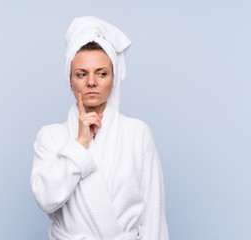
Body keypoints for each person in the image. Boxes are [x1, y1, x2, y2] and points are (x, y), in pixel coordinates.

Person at [31, 16, 169, 240]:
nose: (92, 82)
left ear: (113, 78)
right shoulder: (50, 137)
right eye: (81, 74)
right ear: (70, 80)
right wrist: (80, 143)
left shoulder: (137, 133)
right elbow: (46, 199)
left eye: (102, 73)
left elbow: (154, 215)